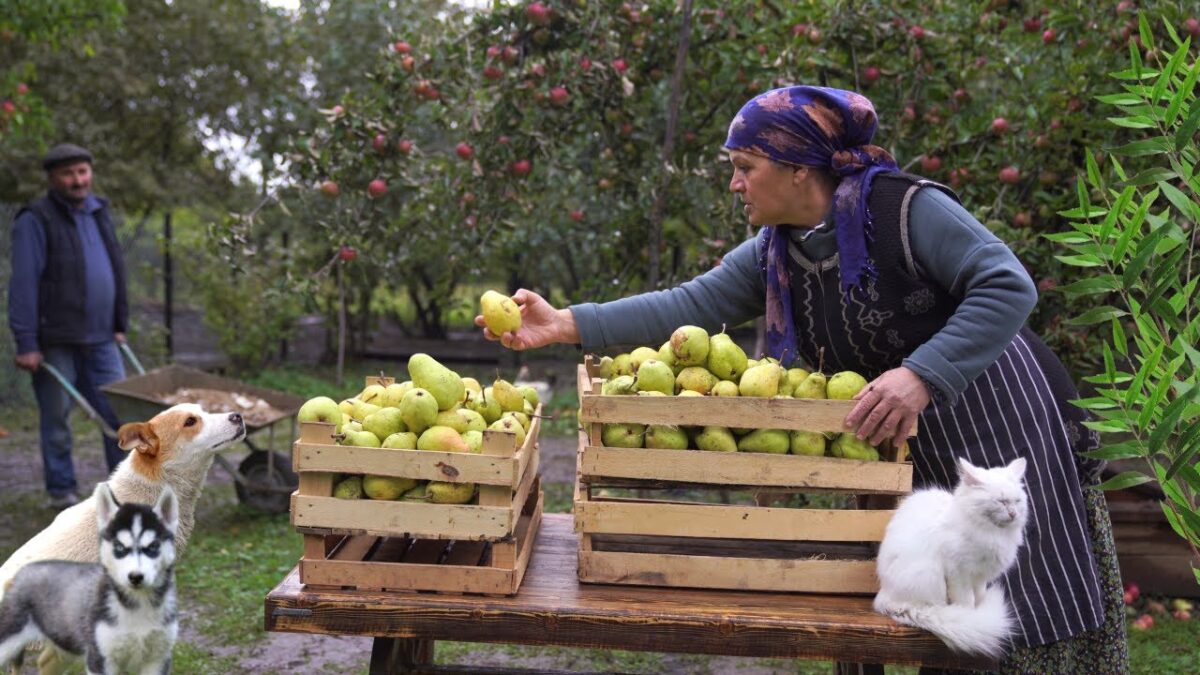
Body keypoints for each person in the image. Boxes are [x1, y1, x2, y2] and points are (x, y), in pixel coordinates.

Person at [476, 86, 1127, 672]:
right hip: (905, 442)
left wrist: (923, 374)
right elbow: (688, 304)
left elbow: (1007, 283)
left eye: (744, 167)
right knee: (946, 619)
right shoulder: (779, 249)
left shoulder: (906, 211)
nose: (734, 184)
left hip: (999, 422)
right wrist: (564, 323)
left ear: (797, 169)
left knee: (1022, 623)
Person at [8, 143, 129, 509]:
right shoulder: (36, 219)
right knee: (57, 418)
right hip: (56, 339)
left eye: (82, 172)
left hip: (103, 338)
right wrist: (26, 341)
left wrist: (119, 323)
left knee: (119, 414)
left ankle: (124, 487)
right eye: (68, 174)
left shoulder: (98, 212)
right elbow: (24, 283)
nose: (77, 181)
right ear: (52, 178)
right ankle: (61, 492)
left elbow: (116, 268)